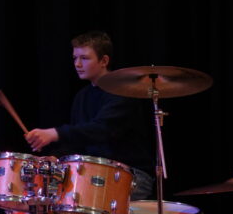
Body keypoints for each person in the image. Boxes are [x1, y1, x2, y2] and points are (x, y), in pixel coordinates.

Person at [25, 31, 155, 200]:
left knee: (83, 201)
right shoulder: (82, 97)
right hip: (95, 175)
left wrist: (55, 133)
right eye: (75, 58)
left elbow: (102, 129)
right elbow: (78, 143)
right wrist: (55, 158)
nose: (77, 64)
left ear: (104, 61)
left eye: (84, 58)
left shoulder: (123, 92)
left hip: (131, 175)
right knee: (47, 195)